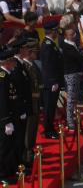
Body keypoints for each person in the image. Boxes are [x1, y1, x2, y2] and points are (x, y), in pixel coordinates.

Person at [9, 39, 32, 169]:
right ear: (19, 50)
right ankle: (18, 164)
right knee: (18, 139)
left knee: (21, 137)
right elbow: (17, 89)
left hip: (23, 107)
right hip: (18, 109)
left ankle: (21, 161)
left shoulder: (20, 64)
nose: (27, 50)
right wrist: (21, 108)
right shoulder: (16, 66)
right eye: (25, 48)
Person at [40, 21, 64, 139]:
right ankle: (48, 130)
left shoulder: (50, 44)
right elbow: (49, 66)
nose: (57, 33)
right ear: (52, 31)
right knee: (49, 107)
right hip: (50, 82)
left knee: (52, 106)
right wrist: (53, 81)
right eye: (56, 31)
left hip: (53, 81)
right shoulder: (48, 45)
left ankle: (50, 128)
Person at [0, 48, 20, 184]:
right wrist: (6, 121)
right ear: (6, 62)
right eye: (12, 60)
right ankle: (3, 174)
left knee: (10, 146)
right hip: (5, 118)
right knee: (4, 148)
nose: (14, 63)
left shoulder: (7, 75)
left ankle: (9, 171)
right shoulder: (2, 77)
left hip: (11, 115)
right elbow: (3, 101)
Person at [61, 27, 83, 130]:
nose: (73, 36)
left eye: (74, 34)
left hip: (75, 73)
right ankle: (70, 121)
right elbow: (77, 57)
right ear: (66, 36)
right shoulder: (66, 46)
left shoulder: (72, 44)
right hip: (70, 74)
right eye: (71, 34)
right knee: (70, 98)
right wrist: (82, 56)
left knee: (74, 96)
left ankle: (74, 115)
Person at [21, 40, 41, 165]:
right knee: (28, 131)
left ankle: (30, 153)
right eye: (35, 52)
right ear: (29, 52)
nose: (37, 55)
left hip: (35, 103)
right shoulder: (25, 66)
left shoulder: (32, 65)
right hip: (29, 103)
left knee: (33, 129)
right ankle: (27, 157)